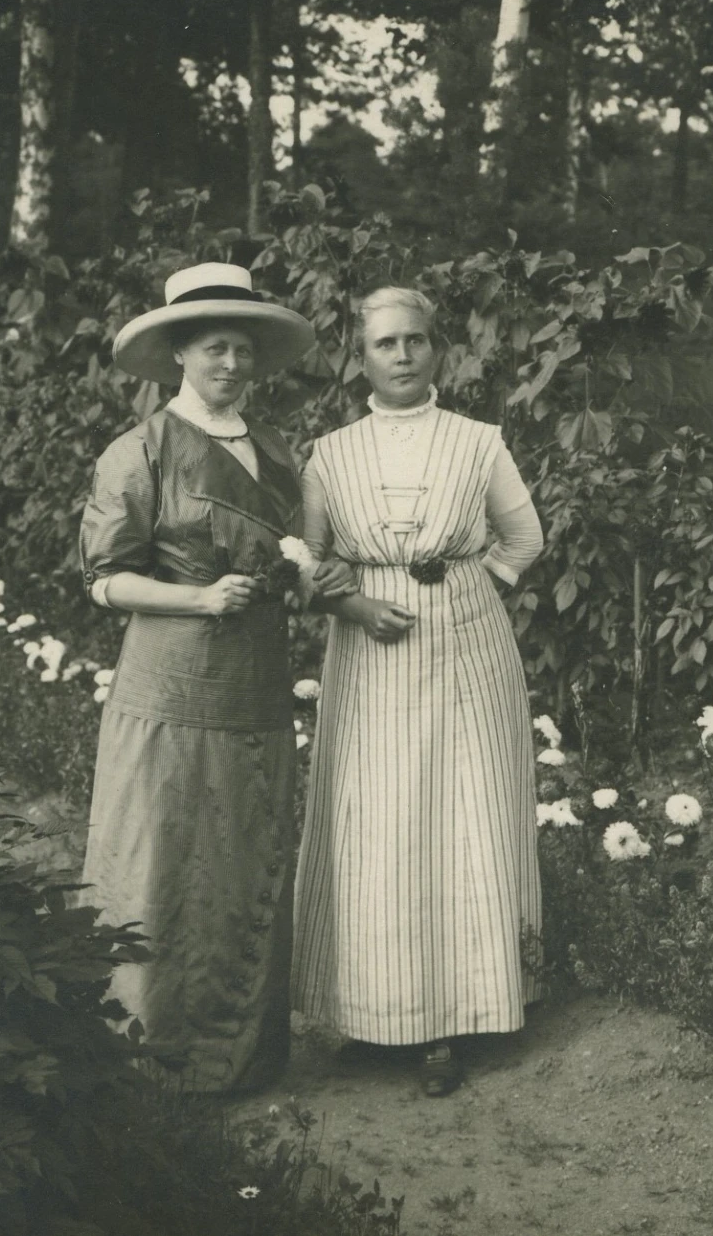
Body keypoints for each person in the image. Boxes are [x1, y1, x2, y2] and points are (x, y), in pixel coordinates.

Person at [76, 261, 351, 1094]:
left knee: (245, 852)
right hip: (169, 687)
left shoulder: (275, 450)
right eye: (212, 348)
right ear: (178, 357)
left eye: (242, 349)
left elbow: (299, 559)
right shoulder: (140, 451)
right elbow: (105, 579)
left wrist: (322, 580)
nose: (230, 364)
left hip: (255, 684)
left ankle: (240, 1059)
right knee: (165, 857)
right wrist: (197, 596)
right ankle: (154, 1054)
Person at [292, 286, 546, 1097]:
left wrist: (470, 587)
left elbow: (525, 536)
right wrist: (353, 600)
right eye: (384, 345)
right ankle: (374, 1012)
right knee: (377, 817)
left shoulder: (478, 442)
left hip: (465, 643)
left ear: (439, 350)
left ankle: (452, 1020)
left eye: (415, 341)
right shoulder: (331, 453)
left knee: (462, 813)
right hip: (368, 650)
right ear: (358, 358)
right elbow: (312, 562)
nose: (401, 356)